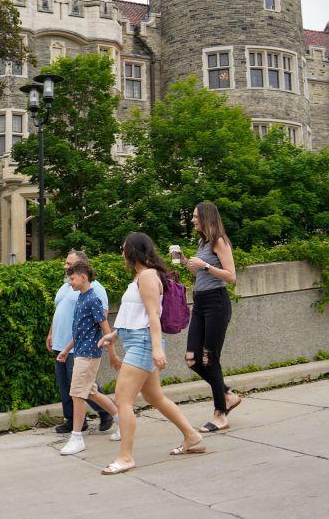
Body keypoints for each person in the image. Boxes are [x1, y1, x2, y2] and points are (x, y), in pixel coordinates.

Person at [98, 232, 206, 474]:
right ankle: (193, 437)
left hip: (143, 344)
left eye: (123, 247)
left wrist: (157, 349)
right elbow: (135, 315)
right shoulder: (141, 276)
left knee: (122, 400)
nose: (121, 251)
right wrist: (114, 335)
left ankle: (126, 457)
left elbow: (153, 316)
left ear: (133, 250)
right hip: (137, 341)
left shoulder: (147, 276)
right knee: (154, 397)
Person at [178, 201, 240, 433]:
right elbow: (200, 271)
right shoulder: (202, 242)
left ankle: (220, 414)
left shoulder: (219, 241)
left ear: (206, 218)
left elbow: (231, 276)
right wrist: (186, 262)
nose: (193, 220)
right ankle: (227, 394)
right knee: (191, 359)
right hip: (201, 303)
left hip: (217, 302)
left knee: (209, 358)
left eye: (195, 216)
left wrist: (204, 265)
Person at [47, 250, 120, 435]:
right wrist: (51, 334)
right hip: (63, 343)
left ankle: (102, 416)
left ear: (82, 269)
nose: (65, 266)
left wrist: (110, 348)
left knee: (82, 388)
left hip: (82, 348)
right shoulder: (68, 287)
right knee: (69, 385)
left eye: (69, 263)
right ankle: (74, 420)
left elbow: (101, 320)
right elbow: (58, 311)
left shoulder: (94, 290)